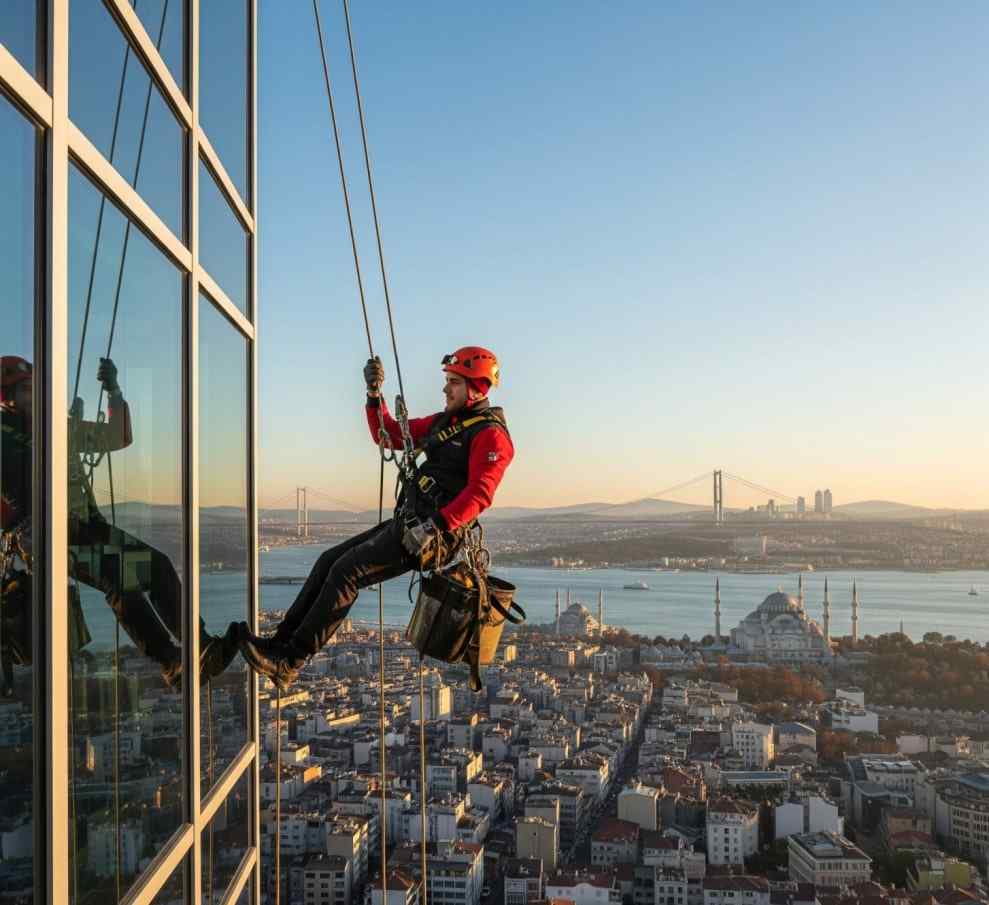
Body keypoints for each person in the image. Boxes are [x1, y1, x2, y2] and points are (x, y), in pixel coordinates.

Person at [237, 346, 514, 689]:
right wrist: (373, 395)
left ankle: (289, 662)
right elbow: (390, 434)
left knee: (346, 573)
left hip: (431, 535)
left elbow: (479, 494)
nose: (445, 389)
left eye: (453, 383)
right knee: (328, 561)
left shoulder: (491, 436)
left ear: (476, 388)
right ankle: (279, 645)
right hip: (411, 523)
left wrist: (435, 526)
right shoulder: (448, 423)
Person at [0, 354, 238, 688]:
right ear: (6, 397)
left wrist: (114, 391)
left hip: (87, 525)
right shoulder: (4, 437)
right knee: (119, 580)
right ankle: (171, 662)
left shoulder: (54, 427)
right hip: (50, 537)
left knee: (157, 565)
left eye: (35, 389)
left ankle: (202, 646)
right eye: (27, 390)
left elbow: (118, 437)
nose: (35, 396)